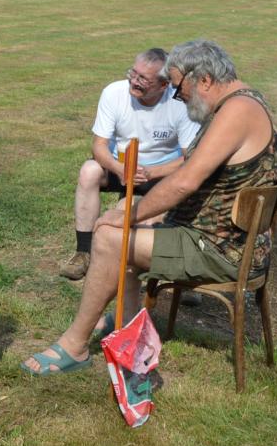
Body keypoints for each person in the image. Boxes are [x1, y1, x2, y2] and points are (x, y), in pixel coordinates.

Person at [24, 40, 277, 375]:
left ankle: (75, 345)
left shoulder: (236, 112)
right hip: (220, 239)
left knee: (110, 237)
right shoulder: (244, 101)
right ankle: (128, 327)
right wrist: (136, 213)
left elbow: (185, 181)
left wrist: (128, 215)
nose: (177, 97)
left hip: (219, 249)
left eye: (177, 87)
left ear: (203, 80)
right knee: (128, 227)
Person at [59, 48, 199, 281]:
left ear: (164, 85)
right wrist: (119, 168)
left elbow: (190, 156)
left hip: (161, 171)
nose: (134, 81)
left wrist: (152, 172)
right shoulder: (113, 93)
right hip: (121, 166)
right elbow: (99, 146)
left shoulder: (179, 103)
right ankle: (83, 252)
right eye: (133, 73)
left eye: (143, 79)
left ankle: (174, 264)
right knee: (88, 171)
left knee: (180, 189)